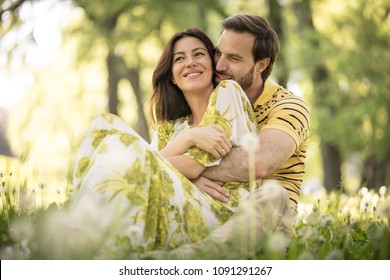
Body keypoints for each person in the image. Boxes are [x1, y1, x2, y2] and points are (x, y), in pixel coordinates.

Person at [71, 28, 258, 256]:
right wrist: (189, 139)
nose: (190, 62)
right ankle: (84, 241)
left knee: (116, 147)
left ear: (212, 63)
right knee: (102, 126)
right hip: (179, 203)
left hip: (220, 215)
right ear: (172, 76)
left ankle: (81, 240)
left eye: (198, 54)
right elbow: (148, 171)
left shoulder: (228, 93)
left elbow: (187, 166)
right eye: (180, 58)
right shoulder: (173, 127)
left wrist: (178, 173)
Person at [166, 14, 310, 259]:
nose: (220, 65)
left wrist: (184, 172)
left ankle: (188, 260)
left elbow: (257, 163)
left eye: (233, 58)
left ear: (261, 65)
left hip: (268, 226)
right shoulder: (209, 102)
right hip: (212, 213)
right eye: (218, 53)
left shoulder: (288, 106)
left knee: (274, 193)